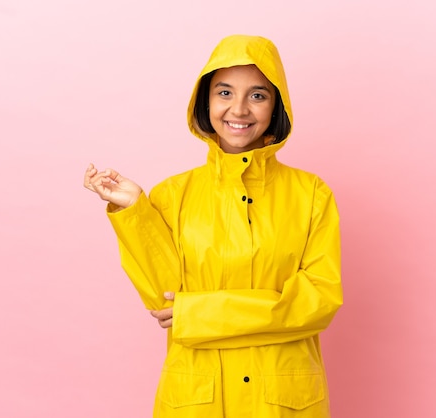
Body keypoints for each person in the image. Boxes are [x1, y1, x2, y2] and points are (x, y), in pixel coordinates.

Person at [84, 34, 343, 418]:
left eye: (258, 95)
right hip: (196, 399)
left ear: (277, 105)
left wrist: (200, 314)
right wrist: (135, 212)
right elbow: (165, 300)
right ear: (205, 100)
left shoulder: (312, 194)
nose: (238, 109)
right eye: (224, 92)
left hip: (283, 403)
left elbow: (318, 302)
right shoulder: (171, 195)